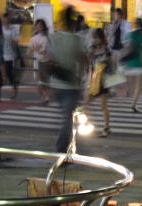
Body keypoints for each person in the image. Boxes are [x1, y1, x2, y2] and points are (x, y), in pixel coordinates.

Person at [49, 6, 87, 152]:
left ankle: (67, 144)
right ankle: (62, 148)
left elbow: (48, 59)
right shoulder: (76, 39)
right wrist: (82, 77)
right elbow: (83, 61)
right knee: (67, 119)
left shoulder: (54, 37)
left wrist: (43, 82)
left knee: (66, 117)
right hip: (71, 85)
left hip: (57, 83)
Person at [83, 28, 113, 137]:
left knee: (103, 106)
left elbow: (112, 66)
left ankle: (107, 128)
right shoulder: (92, 49)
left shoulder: (107, 50)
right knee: (85, 104)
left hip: (104, 81)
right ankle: (87, 123)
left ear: (101, 38)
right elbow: (88, 63)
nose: (94, 40)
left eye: (96, 38)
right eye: (93, 38)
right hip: (95, 81)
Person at [123, 18, 142, 112]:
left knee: (131, 81)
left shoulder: (131, 34)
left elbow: (127, 46)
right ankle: (134, 104)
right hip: (140, 62)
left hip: (130, 61)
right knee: (138, 85)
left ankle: (128, 91)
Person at [28, 19, 51, 103]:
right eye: (37, 26)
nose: (38, 27)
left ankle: (46, 95)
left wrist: (37, 49)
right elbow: (30, 49)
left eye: (40, 26)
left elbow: (44, 51)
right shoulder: (34, 38)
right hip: (41, 60)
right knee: (43, 79)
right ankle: (45, 95)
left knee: (44, 79)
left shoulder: (46, 38)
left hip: (47, 60)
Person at [1, 13, 20, 100]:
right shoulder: (0, 29)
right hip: (1, 52)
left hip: (11, 54)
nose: (6, 20)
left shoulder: (13, 29)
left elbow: (16, 42)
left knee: (9, 73)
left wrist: (14, 41)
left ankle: (14, 88)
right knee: (1, 73)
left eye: (8, 18)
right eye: (5, 18)